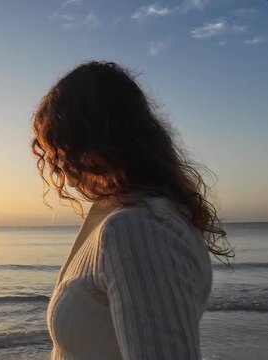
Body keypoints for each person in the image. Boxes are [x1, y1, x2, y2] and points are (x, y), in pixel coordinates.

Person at [31, 60, 234, 360]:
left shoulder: (138, 230)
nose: (62, 168)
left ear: (103, 139)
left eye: (65, 150)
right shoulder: (121, 215)